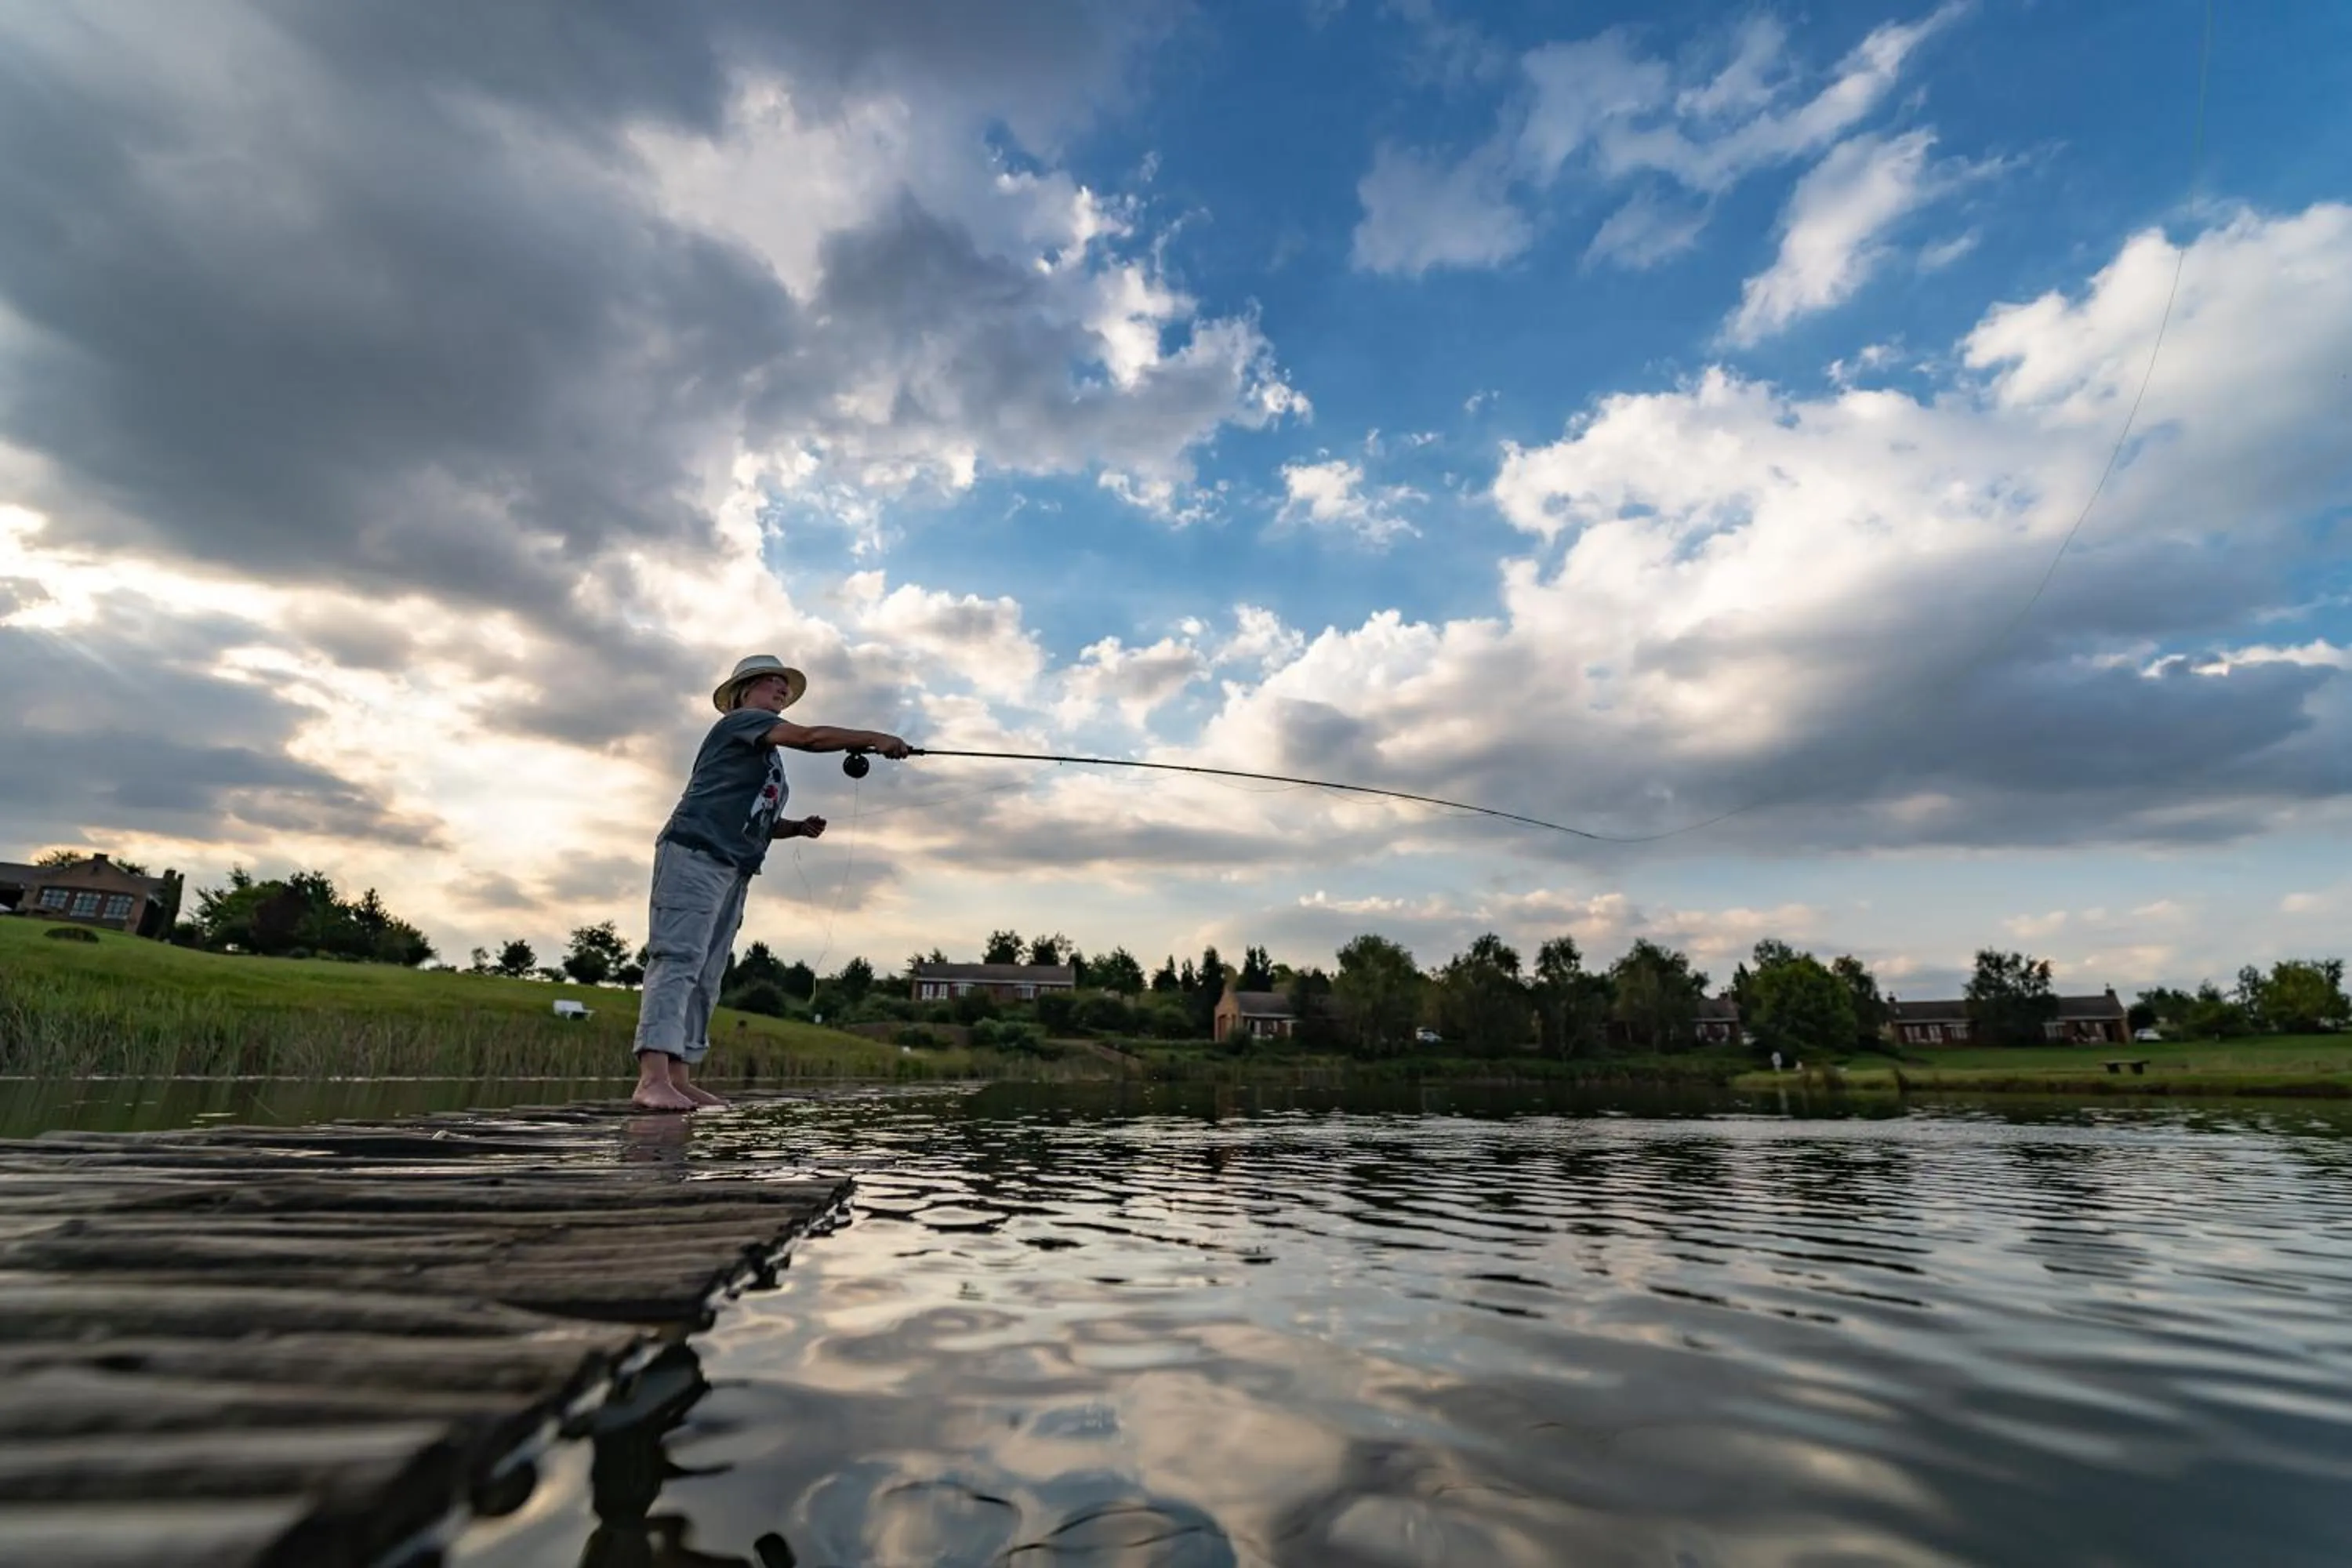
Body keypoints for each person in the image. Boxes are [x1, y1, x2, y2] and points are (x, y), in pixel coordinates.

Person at [631, 655, 909, 1112]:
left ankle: (679, 1080)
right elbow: (810, 737)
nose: (780, 690)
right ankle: (652, 1079)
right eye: (769, 683)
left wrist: (794, 827)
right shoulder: (741, 723)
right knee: (678, 958)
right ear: (743, 694)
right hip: (693, 853)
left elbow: (757, 816)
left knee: (707, 973)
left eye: (784, 686)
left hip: (733, 866)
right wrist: (874, 739)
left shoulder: (764, 752)